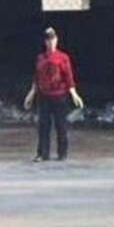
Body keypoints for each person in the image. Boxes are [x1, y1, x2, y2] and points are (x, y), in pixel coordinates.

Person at [24, 27, 83, 162]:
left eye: (53, 40)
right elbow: (37, 77)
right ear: (45, 42)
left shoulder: (63, 58)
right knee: (43, 126)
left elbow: (68, 77)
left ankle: (62, 153)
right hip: (44, 96)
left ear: (56, 41)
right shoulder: (40, 58)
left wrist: (74, 93)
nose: (51, 43)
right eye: (48, 40)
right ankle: (42, 153)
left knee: (61, 125)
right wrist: (31, 94)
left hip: (59, 95)